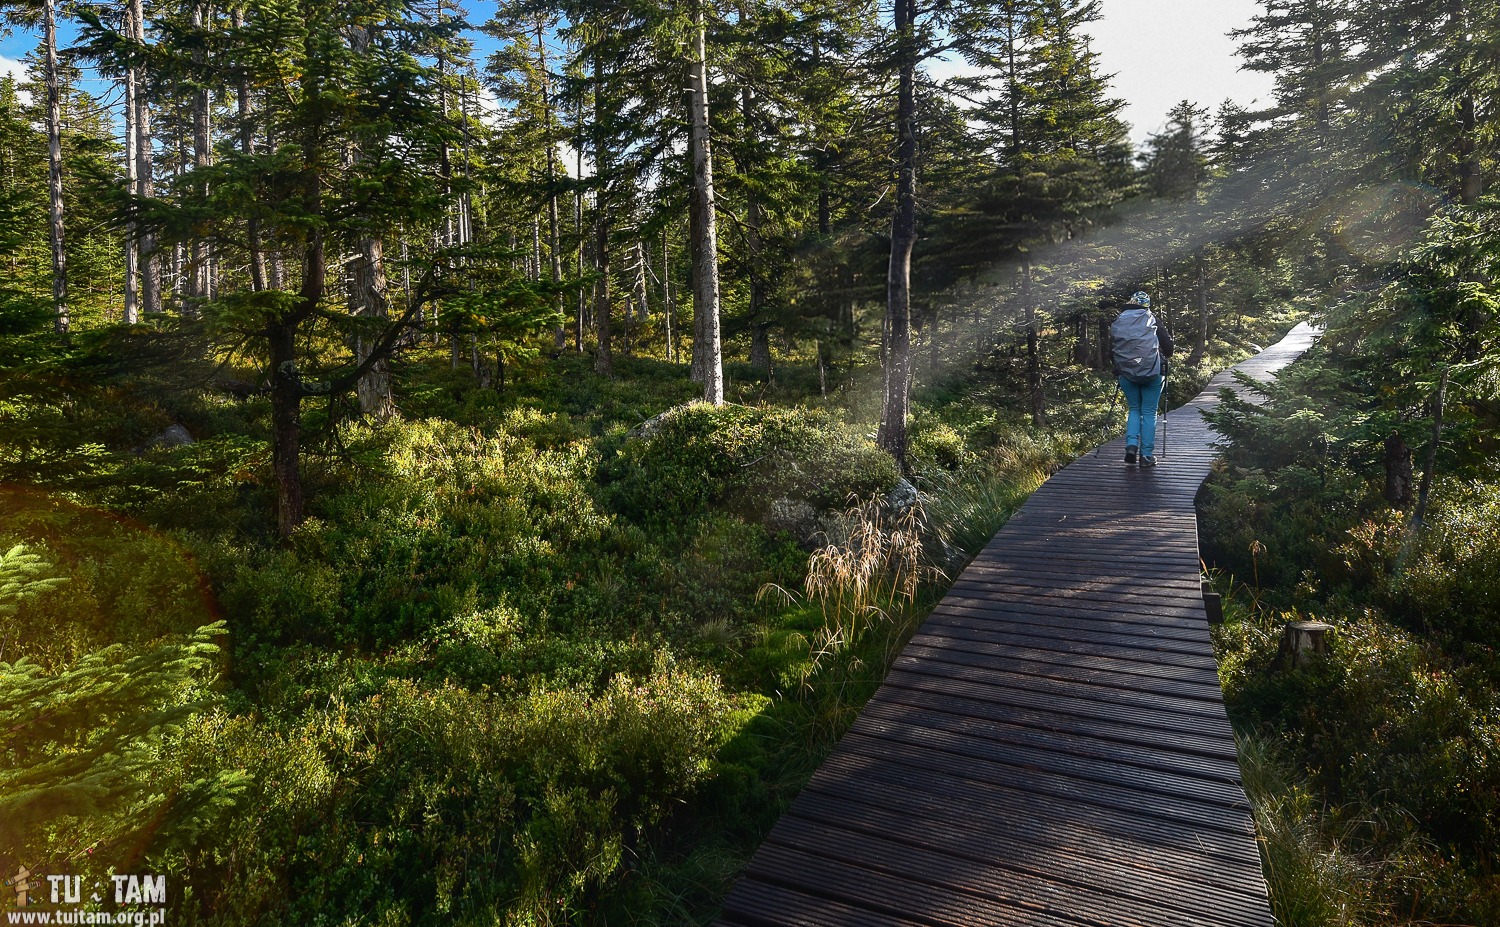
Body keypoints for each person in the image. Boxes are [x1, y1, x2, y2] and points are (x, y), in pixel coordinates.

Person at [1110, 291, 1174, 468]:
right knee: (1149, 412)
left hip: (1126, 373)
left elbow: (1113, 349)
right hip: (1152, 373)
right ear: (1146, 304)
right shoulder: (1152, 318)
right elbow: (1168, 347)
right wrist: (1164, 355)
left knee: (1134, 409)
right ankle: (1146, 456)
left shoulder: (1119, 320)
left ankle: (1131, 446)